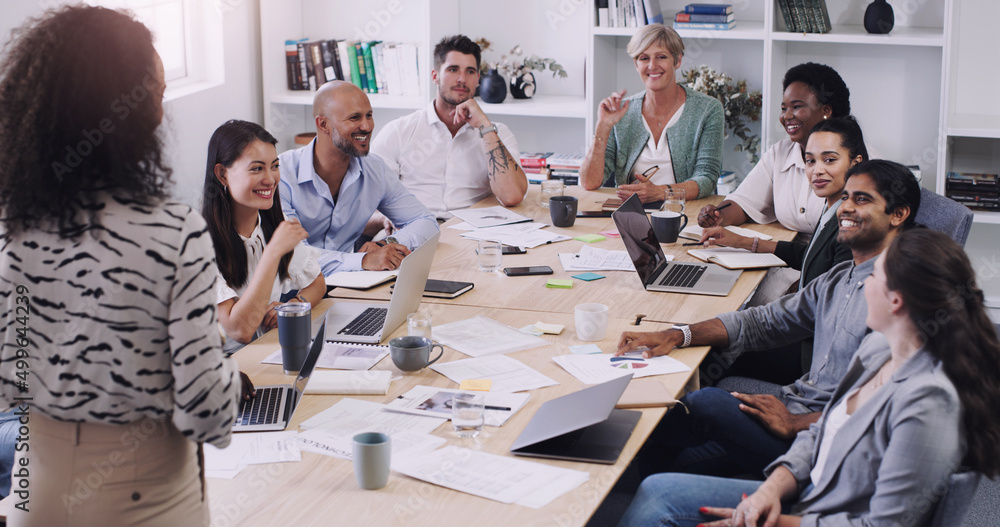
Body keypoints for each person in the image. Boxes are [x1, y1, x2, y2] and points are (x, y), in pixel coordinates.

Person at [0, 6, 239, 525]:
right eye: (155, 91)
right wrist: (231, 368)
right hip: (145, 495)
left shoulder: (13, 227)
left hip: (33, 491)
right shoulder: (172, 232)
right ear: (137, 114)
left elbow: (8, 382)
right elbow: (208, 415)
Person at [619, 228, 1000, 527]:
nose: (862, 283)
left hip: (822, 512)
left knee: (661, 501)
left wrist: (776, 521)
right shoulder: (876, 352)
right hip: (808, 491)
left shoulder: (929, 402)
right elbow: (821, 434)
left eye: (874, 277)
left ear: (895, 301)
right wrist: (771, 489)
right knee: (656, 488)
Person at [615, 160, 921, 479]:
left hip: (820, 441)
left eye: (862, 199)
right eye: (845, 197)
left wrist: (797, 423)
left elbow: (887, 406)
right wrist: (676, 335)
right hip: (792, 410)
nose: (846, 208)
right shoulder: (839, 278)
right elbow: (764, 322)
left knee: (704, 403)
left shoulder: (898, 299)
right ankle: (640, 474)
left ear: (898, 214)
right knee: (668, 453)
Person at [278, 80, 439, 275]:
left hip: (347, 285)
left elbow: (426, 222)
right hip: (292, 296)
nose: (367, 126)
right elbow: (294, 256)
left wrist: (386, 244)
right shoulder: (281, 174)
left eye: (369, 116)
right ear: (323, 124)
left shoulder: (374, 169)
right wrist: (363, 260)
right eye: (354, 118)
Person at [202, 120, 327, 354]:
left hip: (264, 352)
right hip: (224, 371)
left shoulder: (269, 225)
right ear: (222, 174)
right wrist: (273, 253)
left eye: (275, 166)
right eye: (257, 168)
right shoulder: (199, 244)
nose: (270, 179)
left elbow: (317, 283)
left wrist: (294, 306)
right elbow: (240, 331)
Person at [371, 35, 528, 220]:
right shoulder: (398, 131)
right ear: (435, 76)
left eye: (470, 71)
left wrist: (485, 127)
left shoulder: (497, 133)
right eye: (453, 70)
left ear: (478, 79)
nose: (462, 79)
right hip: (411, 228)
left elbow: (512, 196)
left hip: (471, 233)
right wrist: (385, 221)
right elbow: (367, 205)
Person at [699, 116, 867, 288]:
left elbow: (832, 299)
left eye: (830, 160)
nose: (817, 170)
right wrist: (741, 241)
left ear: (855, 163)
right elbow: (812, 256)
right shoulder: (832, 207)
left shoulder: (851, 228)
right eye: (810, 161)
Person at [699, 63, 851, 233]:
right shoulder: (780, 152)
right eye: (784, 108)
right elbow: (745, 201)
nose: (786, 116)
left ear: (826, 110)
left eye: (797, 107)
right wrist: (718, 216)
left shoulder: (854, 157)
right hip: (788, 251)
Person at [579, 23, 724, 203]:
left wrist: (660, 192)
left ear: (677, 60)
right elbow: (588, 182)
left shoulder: (708, 109)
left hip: (685, 212)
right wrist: (603, 127)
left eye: (661, 57)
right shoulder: (622, 111)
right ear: (636, 64)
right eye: (644, 58)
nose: (652, 66)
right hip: (632, 216)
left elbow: (707, 178)